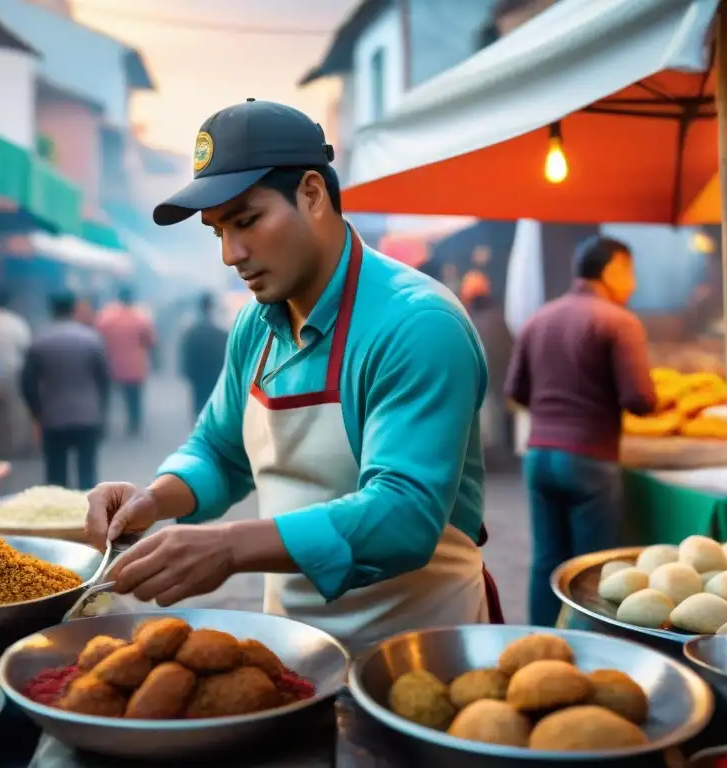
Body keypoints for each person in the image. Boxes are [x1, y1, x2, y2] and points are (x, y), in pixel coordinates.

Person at [85, 99, 503, 652]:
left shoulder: (417, 324)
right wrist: (157, 498)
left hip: (420, 648)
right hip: (296, 648)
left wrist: (231, 546)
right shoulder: (254, 327)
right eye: (217, 232)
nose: (232, 255)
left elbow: (404, 515)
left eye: (247, 221)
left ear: (311, 194)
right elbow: (219, 449)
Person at [505, 235, 657, 627]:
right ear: (611, 269)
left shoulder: (538, 319)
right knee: (594, 570)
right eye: (630, 271)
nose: (634, 283)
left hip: (538, 456)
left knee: (547, 562)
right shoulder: (619, 321)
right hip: (590, 459)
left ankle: (539, 643)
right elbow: (639, 397)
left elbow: (515, 391)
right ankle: (590, 650)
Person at [20, 291, 110, 490]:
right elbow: (104, 380)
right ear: (74, 308)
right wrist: (102, 411)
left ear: (51, 309)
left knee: (55, 476)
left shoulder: (40, 341)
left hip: (53, 417)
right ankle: (88, 516)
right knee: (87, 474)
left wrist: (37, 412)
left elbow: (27, 382)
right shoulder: (92, 339)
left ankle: (59, 516)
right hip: (87, 417)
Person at [460, 271, 513, 464]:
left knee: (487, 418)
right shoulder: (499, 318)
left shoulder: (470, 320)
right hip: (499, 380)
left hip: (482, 381)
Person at [0, 288, 33, 457]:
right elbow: (26, 348)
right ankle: (14, 448)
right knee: (14, 413)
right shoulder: (16, 322)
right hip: (12, 374)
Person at [95, 286, 155, 437]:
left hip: (110, 365)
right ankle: (134, 426)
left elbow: (97, 340)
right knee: (134, 399)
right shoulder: (141, 319)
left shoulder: (105, 318)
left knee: (105, 399)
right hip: (135, 366)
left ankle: (103, 427)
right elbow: (151, 341)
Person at [178, 293, 229, 419]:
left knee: (198, 401)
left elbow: (186, 353)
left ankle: (199, 425)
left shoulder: (191, 332)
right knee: (213, 401)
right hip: (214, 373)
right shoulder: (220, 332)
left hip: (197, 373)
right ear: (211, 307)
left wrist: (186, 372)